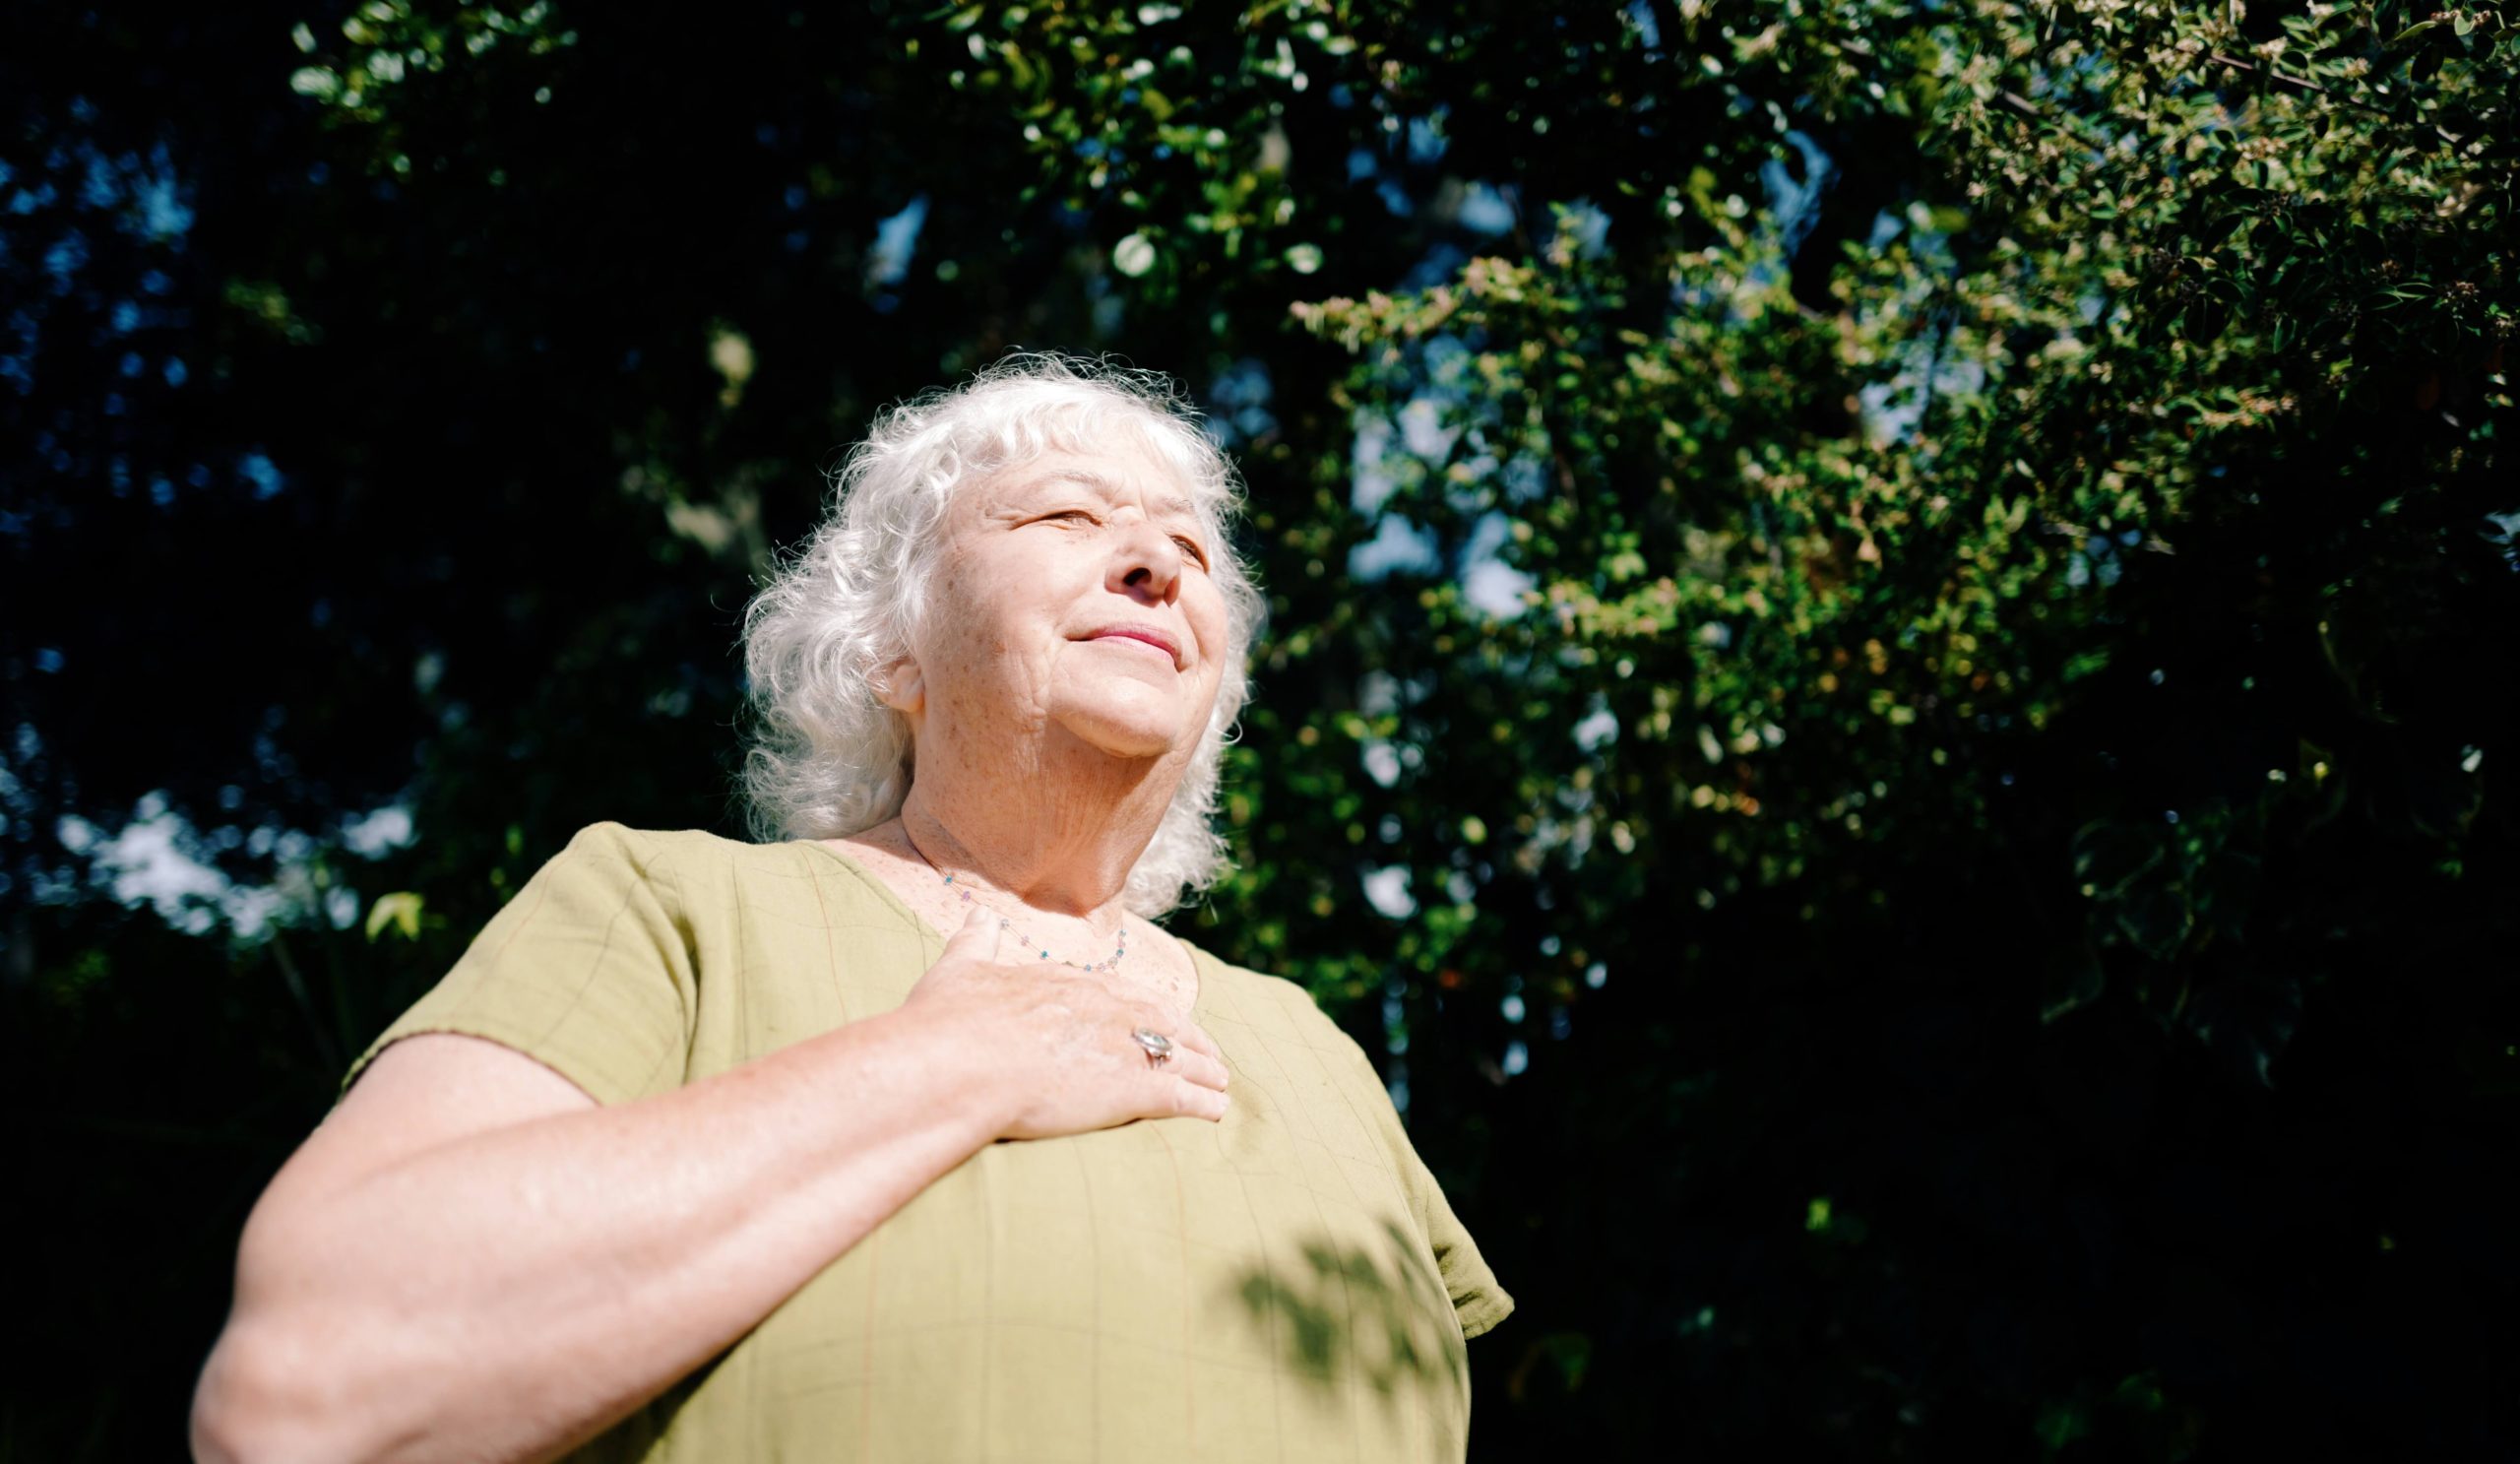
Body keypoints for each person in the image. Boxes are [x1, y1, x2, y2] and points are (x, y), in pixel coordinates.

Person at [190, 352, 1512, 1464]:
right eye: (1064, 519)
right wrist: (959, 1060)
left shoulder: (1320, 1056)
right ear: (891, 646)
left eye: (1191, 549)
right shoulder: (672, 907)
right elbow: (313, 1389)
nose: (1160, 566)